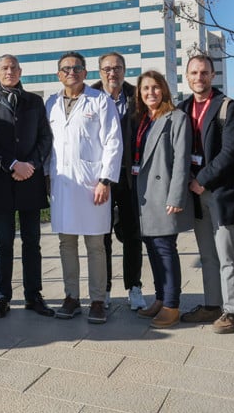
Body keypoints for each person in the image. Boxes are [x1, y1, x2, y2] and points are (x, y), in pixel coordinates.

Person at [46, 52, 122, 323]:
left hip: (93, 184)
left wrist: (105, 180)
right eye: (66, 68)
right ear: (59, 74)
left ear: (85, 72)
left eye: (77, 68)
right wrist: (46, 176)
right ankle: (71, 297)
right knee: (66, 243)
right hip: (62, 183)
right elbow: (48, 145)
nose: (71, 72)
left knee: (95, 244)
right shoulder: (51, 103)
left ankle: (98, 300)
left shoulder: (100, 101)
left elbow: (113, 141)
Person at [0, 54, 54, 318]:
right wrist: (13, 165)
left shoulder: (34, 101)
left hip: (30, 181)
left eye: (13, 67)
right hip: (2, 182)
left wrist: (30, 164)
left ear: (20, 71)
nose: (9, 71)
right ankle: (2, 297)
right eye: (4, 68)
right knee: (3, 243)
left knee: (32, 241)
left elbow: (45, 137)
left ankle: (34, 295)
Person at [178, 55, 234, 334]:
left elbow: (230, 152)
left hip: (218, 192)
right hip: (194, 192)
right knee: (207, 254)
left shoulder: (228, 107)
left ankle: (232, 311)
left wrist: (202, 180)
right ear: (187, 76)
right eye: (194, 72)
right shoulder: (182, 108)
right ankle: (212, 305)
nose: (199, 77)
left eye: (204, 72)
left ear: (213, 75)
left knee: (226, 253)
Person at [133, 71, 194, 328]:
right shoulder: (143, 119)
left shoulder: (176, 117)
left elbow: (182, 158)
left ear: (164, 90)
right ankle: (159, 298)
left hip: (164, 193)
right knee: (152, 249)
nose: (150, 93)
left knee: (165, 249)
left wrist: (177, 195)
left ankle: (171, 304)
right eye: (145, 88)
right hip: (144, 194)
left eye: (155, 88)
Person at [92, 52, 146, 311]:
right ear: (99, 71)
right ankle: (105, 288)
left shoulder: (138, 96)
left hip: (129, 177)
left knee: (133, 234)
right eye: (107, 69)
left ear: (124, 70)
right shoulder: (88, 96)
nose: (112, 73)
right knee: (102, 237)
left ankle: (134, 286)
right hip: (100, 178)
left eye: (117, 68)